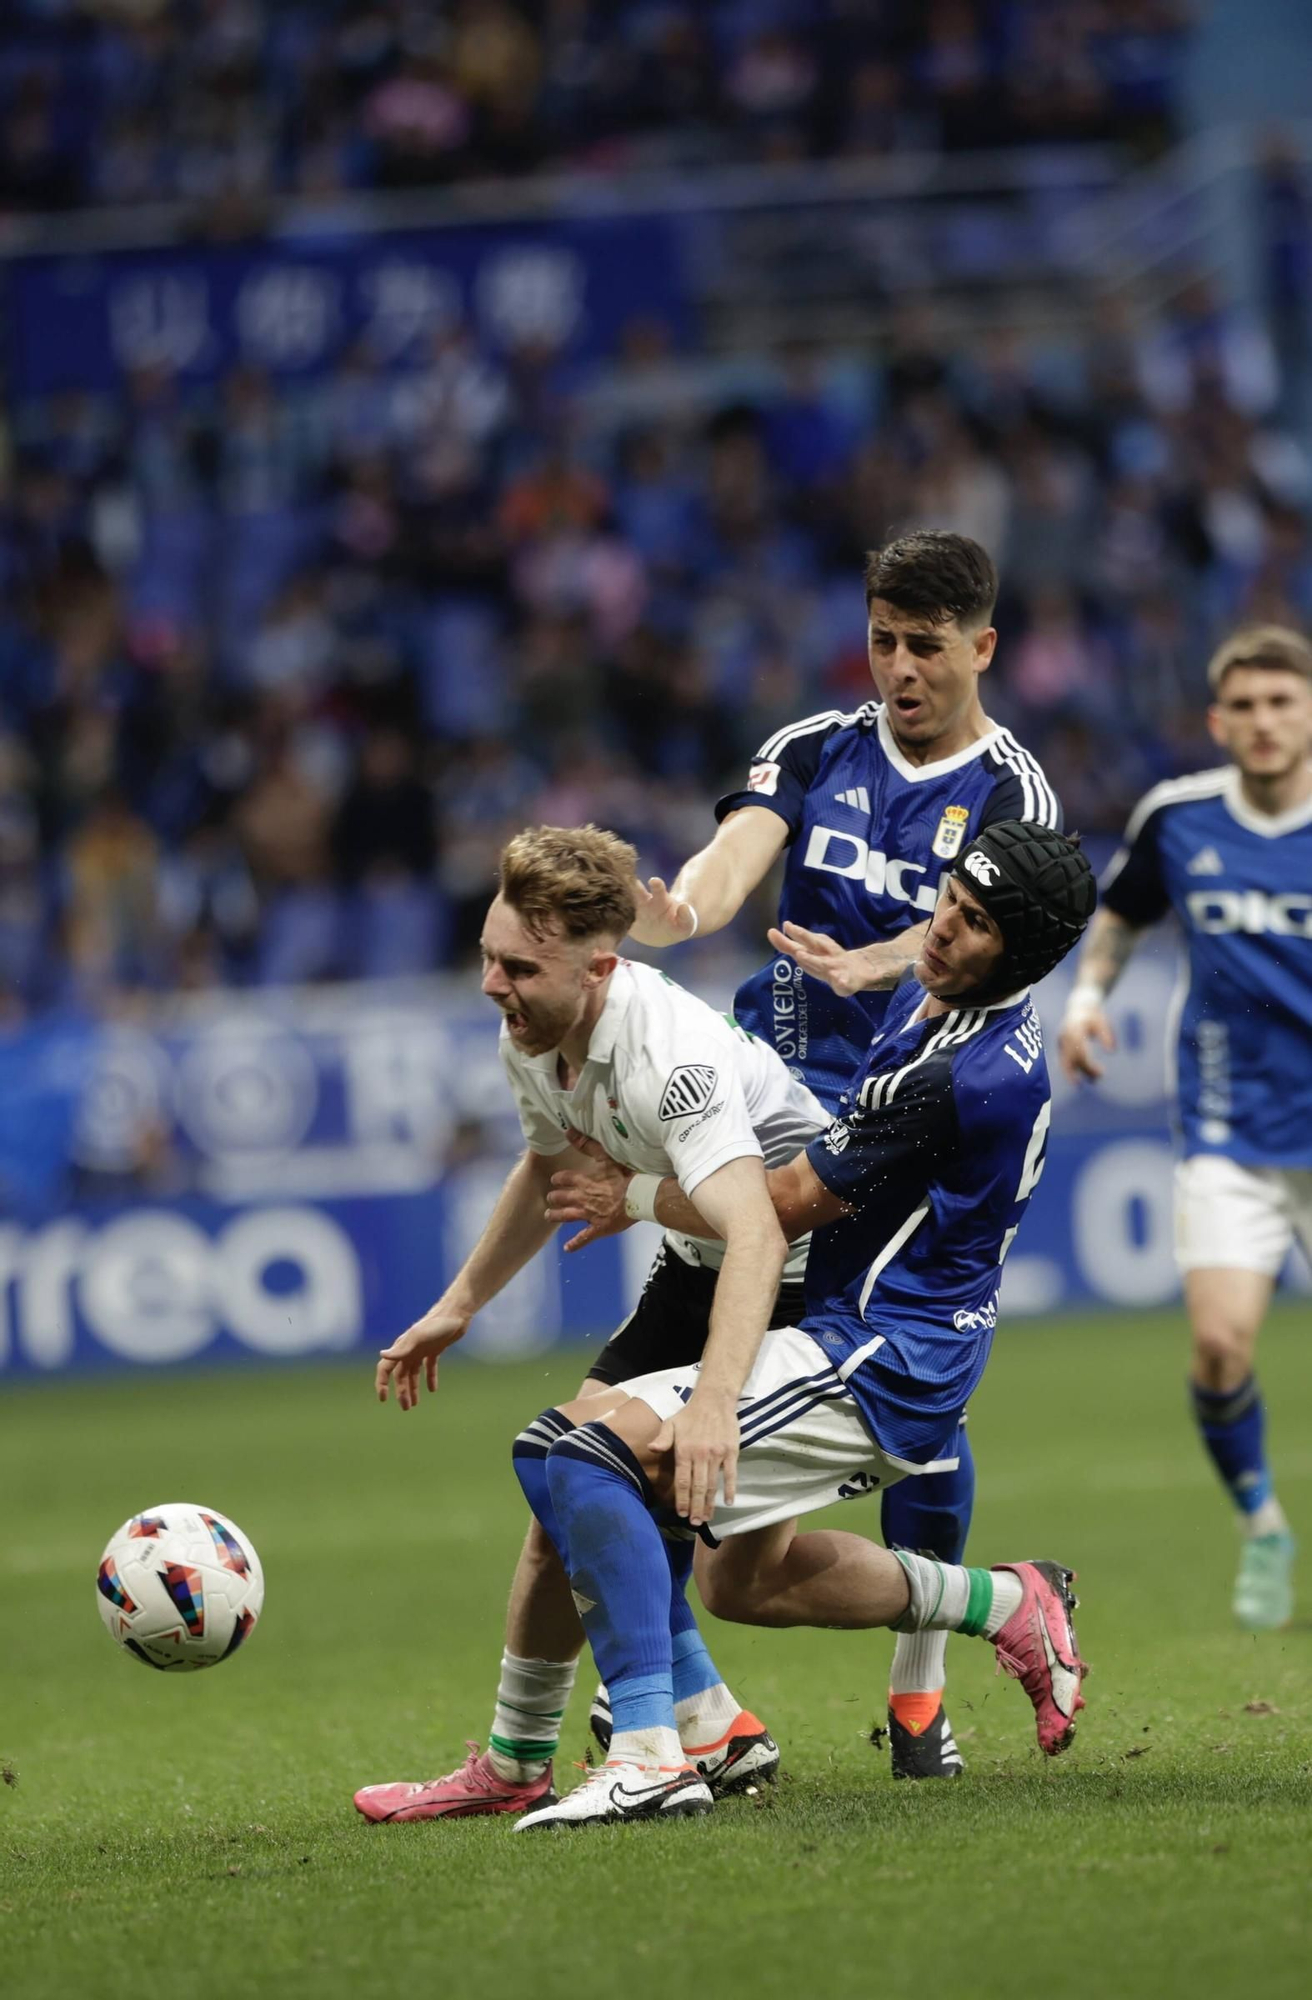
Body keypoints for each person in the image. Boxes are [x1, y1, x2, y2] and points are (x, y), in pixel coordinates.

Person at [508, 819, 1097, 1829]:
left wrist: (635, 1193)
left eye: (973, 922)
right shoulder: (950, 991)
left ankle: (653, 1746)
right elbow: (908, 961)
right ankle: (1006, 1602)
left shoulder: (957, 1077)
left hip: (880, 1351)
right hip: (875, 1327)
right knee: (746, 1581)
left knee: (578, 1450)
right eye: (946, 901)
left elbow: (774, 1207)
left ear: (1024, 954)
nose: (941, 931)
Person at [620, 529, 1061, 1779]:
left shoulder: (1014, 796)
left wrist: (881, 961)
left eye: (926, 645)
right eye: (882, 639)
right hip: (772, 1099)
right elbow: (736, 852)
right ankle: (672, 1688)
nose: (900, 667)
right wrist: (682, 908)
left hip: (904, 1123)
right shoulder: (818, 745)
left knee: (907, 1410)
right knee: (651, 1386)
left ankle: (914, 1692)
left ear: (981, 647)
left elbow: (996, 951)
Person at [353, 823, 829, 1822]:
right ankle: (539, 1755)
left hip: (797, 1280)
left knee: (606, 1480)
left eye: (517, 966)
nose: (492, 983)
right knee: (568, 1478)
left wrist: (713, 1406)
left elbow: (763, 1233)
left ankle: (666, 1735)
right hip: (699, 1264)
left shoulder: (674, 1059)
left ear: (598, 965)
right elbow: (547, 1167)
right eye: (488, 957)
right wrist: (458, 1304)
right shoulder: (532, 1030)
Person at [1059, 624, 1312, 1632]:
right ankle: (1262, 1523)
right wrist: (1084, 998)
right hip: (1228, 1128)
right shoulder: (1177, 818)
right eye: (1243, 707)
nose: (1261, 722)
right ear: (1217, 720)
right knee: (1217, 1344)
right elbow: (1120, 914)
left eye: (1280, 702)